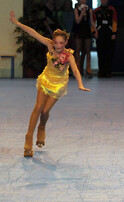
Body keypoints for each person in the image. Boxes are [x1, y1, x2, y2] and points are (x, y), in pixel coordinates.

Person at [9, 11, 90, 157]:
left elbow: (76, 70)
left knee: (45, 112)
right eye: (56, 42)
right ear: (53, 41)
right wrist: (16, 23)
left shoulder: (69, 55)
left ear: (65, 43)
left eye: (61, 43)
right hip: (46, 79)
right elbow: (32, 32)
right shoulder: (50, 45)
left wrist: (80, 84)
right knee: (38, 107)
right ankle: (28, 136)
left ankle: (42, 126)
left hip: (58, 85)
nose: (58, 45)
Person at [93, 0, 117, 78]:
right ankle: (101, 71)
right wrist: (94, 32)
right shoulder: (96, 10)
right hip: (100, 34)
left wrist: (114, 33)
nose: (104, 1)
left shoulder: (112, 9)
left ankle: (108, 71)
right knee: (100, 53)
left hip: (109, 34)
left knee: (109, 53)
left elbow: (114, 21)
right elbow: (93, 22)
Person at [74, 0, 97, 77]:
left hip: (87, 30)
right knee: (78, 50)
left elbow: (91, 21)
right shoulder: (76, 9)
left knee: (87, 50)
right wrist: (82, 11)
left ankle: (88, 67)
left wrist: (95, 30)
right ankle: (78, 67)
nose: (83, 1)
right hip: (79, 30)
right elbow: (77, 21)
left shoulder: (89, 9)